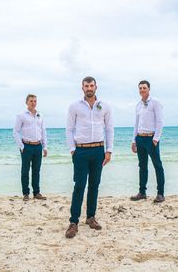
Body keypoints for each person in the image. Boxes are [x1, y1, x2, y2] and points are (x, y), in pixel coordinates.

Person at [65, 76, 114, 238]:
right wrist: (73, 150)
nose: (89, 88)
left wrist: (109, 150)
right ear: (82, 88)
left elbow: (109, 129)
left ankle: (91, 218)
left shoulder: (104, 106)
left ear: (96, 87)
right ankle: (73, 222)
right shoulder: (75, 106)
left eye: (91, 85)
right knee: (79, 186)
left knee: (94, 185)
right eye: (86, 86)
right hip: (81, 151)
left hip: (98, 150)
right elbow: (69, 129)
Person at [131, 80, 165, 203]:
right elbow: (136, 124)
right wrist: (134, 140)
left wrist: (156, 139)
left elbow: (160, 121)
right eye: (140, 88)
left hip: (151, 139)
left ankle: (160, 194)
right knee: (142, 166)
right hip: (140, 138)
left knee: (157, 166)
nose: (142, 90)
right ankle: (142, 192)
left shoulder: (155, 102)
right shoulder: (138, 105)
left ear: (149, 89)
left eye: (144, 88)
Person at [13, 94, 48, 201]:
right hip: (26, 146)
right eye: (31, 101)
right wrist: (21, 146)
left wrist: (45, 146)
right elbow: (15, 132)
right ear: (26, 102)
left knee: (36, 171)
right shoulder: (21, 115)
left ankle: (36, 193)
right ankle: (26, 194)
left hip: (38, 146)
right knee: (25, 171)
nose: (33, 103)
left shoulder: (39, 115)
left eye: (35, 101)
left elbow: (43, 132)